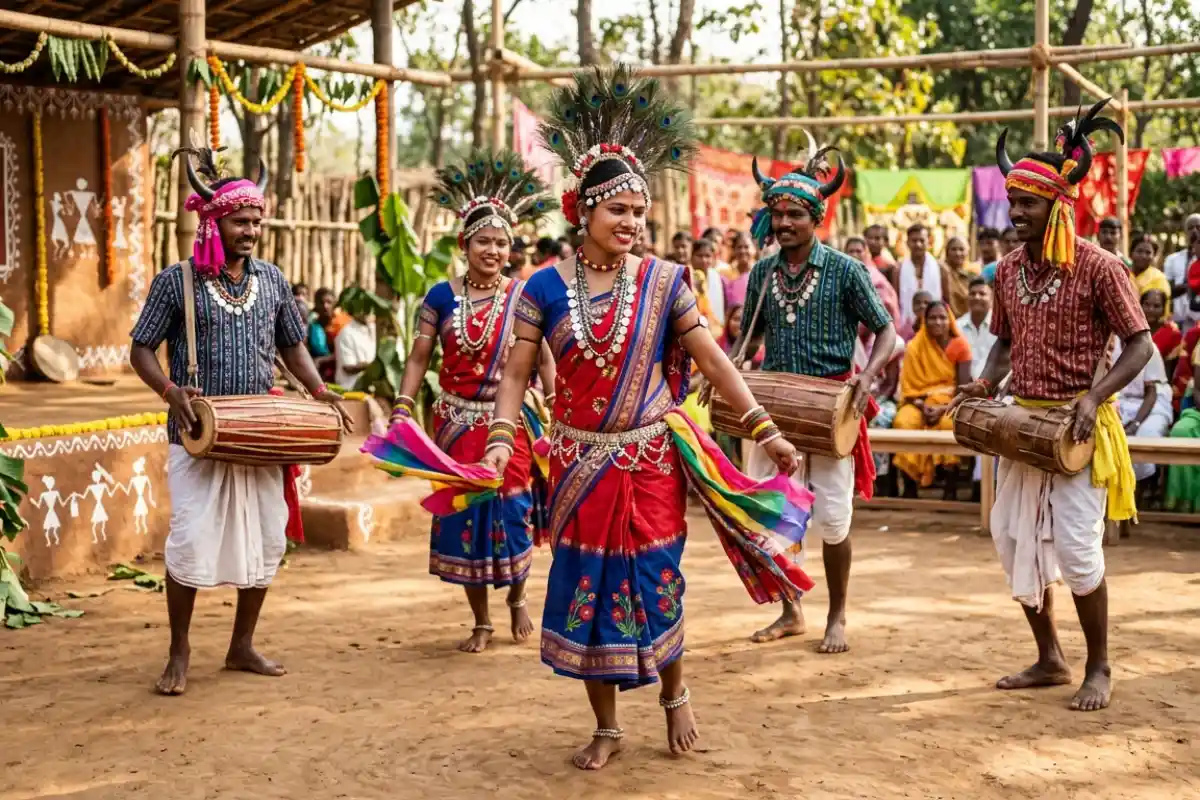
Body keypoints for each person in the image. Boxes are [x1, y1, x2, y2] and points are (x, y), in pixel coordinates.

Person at [480, 66, 808, 771]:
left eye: (640, 212)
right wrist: (500, 440)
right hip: (577, 466)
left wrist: (765, 430)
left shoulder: (666, 283)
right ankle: (605, 725)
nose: (632, 223)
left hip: (651, 462)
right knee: (587, 590)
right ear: (582, 214)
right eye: (618, 211)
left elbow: (715, 363)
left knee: (658, 579)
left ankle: (674, 692)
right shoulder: (540, 288)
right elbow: (513, 373)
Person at [951, 100, 1151, 712]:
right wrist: (985, 384)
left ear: (1058, 205)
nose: (1015, 214)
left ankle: (1100, 665)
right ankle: (1050, 658)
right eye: (1012, 202)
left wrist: (1095, 397)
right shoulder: (1007, 270)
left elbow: (1140, 344)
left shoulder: (1100, 266)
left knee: (1077, 548)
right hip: (1022, 425)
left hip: (1077, 427)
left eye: (1028, 204)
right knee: (1012, 540)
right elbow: (1005, 344)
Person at [129, 147, 352, 696]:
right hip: (198, 434)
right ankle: (179, 651)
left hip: (260, 433)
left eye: (256, 221)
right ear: (213, 221)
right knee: (190, 541)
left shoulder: (272, 281)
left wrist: (321, 392)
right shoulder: (175, 282)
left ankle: (241, 645)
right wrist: (169, 389)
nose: (251, 230)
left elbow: (294, 346)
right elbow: (140, 350)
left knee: (265, 538)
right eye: (240, 220)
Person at [379, 149, 558, 653]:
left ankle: (519, 597)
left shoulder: (525, 294)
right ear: (464, 244)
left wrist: (555, 402)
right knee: (466, 521)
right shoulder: (439, 296)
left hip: (511, 424)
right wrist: (400, 406)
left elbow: (543, 358)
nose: (494, 250)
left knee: (514, 512)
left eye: (502, 242)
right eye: (484, 241)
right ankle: (480, 620)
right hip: (456, 423)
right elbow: (418, 358)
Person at [735, 141, 898, 653]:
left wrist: (867, 375)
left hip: (831, 410)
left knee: (831, 519)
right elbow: (751, 339)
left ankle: (837, 616)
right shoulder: (761, 273)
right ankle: (791, 611)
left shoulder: (848, 271)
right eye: (777, 213)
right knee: (777, 513)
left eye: (795, 214)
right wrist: (738, 362)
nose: (783, 223)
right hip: (774, 411)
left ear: (816, 217)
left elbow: (886, 331)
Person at [892, 301, 972, 498]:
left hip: (950, 402)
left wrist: (942, 408)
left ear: (949, 320)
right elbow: (909, 388)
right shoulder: (915, 347)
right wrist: (922, 405)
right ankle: (909, 485)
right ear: (924, 321)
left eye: (942, 317)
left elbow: (963, 390)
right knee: (904, 421)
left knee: (948, 423)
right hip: (917, 401)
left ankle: (950, 488)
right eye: (932, 318)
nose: (938, 322)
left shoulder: (960, 345)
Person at [845, 235, 900, 325]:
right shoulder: (841, 274)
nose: (854, 255)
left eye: (858, 251)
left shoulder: (875, 278)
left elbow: (884, 308)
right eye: (851, 251)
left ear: (866, 253)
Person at [898, 224, 943, 333]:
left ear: (929, 242)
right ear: (907, 243)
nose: (918, 244)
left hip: (935, 326)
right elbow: (897, 302)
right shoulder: (898, 269)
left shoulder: (941, 268)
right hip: (907, 327)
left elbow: (945, 301)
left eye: (922, 240)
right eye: (914, 240)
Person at [1162, 212, 1200, 331]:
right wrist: (1189, 286)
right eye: (1190, 228)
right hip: (1177, 322)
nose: (1194, 231)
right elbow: (1167, 291)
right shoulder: (1172, 259)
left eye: (1198, 227)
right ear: (1185, 232)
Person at [333, 295, 377, 390]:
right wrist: (374, 366)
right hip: (351, 388)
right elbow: (348, 368)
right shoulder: (346, 333)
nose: (367, 312)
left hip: (372, 388)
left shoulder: (374, 328)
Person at [957, 278, 997, 380]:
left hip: (995, 387)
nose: (977, 297)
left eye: (982, 294)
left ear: (992, 298)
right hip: (965, 387)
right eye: (972, 294)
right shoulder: (957, 327)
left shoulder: (1000, 326)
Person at [690, 238, 724, 335]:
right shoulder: (686, 277)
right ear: (691, 257)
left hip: (716, 330)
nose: (704, 260)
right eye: (699, 256)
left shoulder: (718, 278)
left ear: (713, 258)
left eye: (708, 256)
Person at [941, 236, 974, 317]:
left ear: (967, 252)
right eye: (954, 249)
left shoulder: (971, 274)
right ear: (947, 252)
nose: (958, 253)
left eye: (961, 249)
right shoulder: (941, 270)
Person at [723, 231, 756, 310]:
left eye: (746, 247)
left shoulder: (761, 273)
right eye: (739, 247)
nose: (742, 251)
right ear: (733, 250)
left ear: (754, 249)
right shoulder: (724, 274)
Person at [864, 223, 898, 290]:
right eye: (869, 238)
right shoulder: (860, 262)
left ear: (885, 242)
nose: (872, 242)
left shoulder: (890, 266)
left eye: (877, 238)